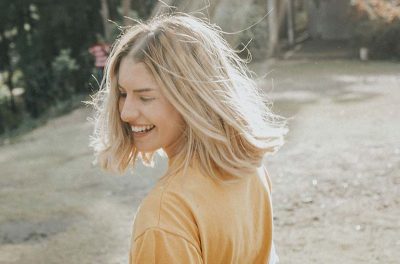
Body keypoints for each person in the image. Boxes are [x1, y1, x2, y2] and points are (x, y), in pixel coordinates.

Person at [90, 13, 287, 264]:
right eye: (122, 94)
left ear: (190, 97)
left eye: (145, 97)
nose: (126, 112)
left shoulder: (164, 216)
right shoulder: (248, 166)